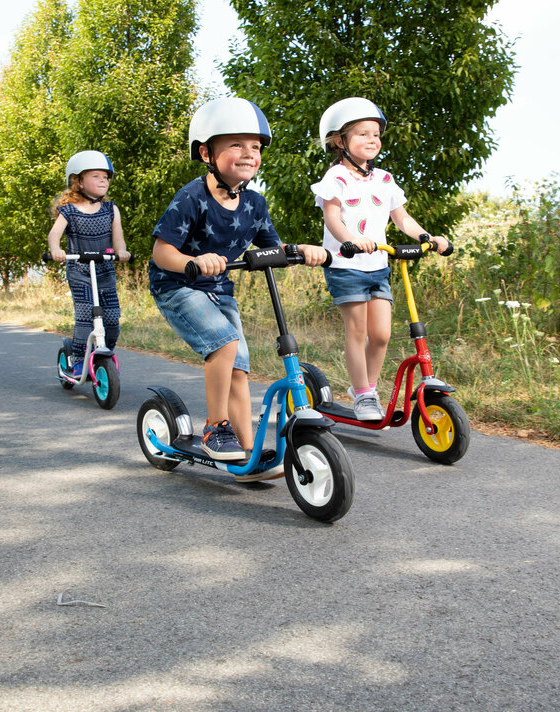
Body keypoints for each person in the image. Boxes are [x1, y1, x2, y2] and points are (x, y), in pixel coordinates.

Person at [149, 97, 328, 473]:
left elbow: (272, 246)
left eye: (256, 146)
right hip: (177, 286)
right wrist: (192, 262)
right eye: (236, 144)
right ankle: (216, 428)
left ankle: (247, 453)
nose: (249, 153)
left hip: (219, 289)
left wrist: (300, 250)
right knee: (224, 345)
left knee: (238, 368)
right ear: (205, 153)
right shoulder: (191, 198)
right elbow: (162, 252)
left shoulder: (254, 203)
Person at [311, 97, 449, 421]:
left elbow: (402, 218)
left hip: (377, 266)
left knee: (383, 334)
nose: (372, 139)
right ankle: (363, 395)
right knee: (357, 332)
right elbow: (332, 219)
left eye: (375, 133)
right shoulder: (335, 178)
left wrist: (427, 238)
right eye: (362, 134)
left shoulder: (384, 179)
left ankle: (367, 388)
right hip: (346, 265)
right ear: (339, 141)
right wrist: (351, 240)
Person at [47, 149, 131, 377]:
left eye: (105, 177)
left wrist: (121, 251)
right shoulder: (69, 211)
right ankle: (76, 361)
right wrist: (56, 250)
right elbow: (54, 235)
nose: (103, 180)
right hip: (79, 270)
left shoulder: (110, 209)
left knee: (112, 317)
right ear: (78, 181)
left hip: (104, 269)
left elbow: (118, 236)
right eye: (96, 176)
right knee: (86, 315)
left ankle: (103, 355)